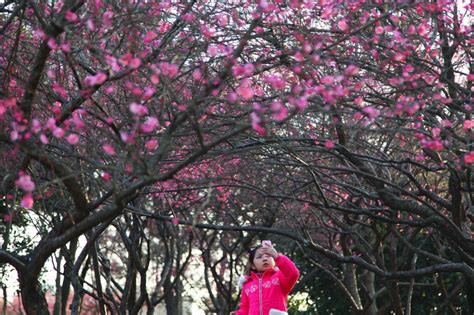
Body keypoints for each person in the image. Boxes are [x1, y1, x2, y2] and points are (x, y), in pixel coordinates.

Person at [230, 241, 300, 315]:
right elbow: (245, 309)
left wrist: (277, 256)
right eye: (259, 257)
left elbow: (293, 274)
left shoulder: (279, 277)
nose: (264, 259)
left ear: (274, 261)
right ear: (253, 265)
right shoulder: (247, 285)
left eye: (268, 256)